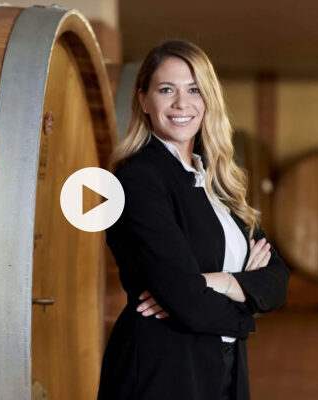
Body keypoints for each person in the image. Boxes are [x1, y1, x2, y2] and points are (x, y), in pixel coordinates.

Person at [97, 40, 290, 400]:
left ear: (208, 99)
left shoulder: (216, 180)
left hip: (224, 366)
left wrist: (215, 281)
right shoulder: (138, 179)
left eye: (194, 89)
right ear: (143, 99)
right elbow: (188, 303)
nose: (181, 103)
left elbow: (278, 279)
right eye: (166, 90)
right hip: (163, 370)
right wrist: (246, 304)